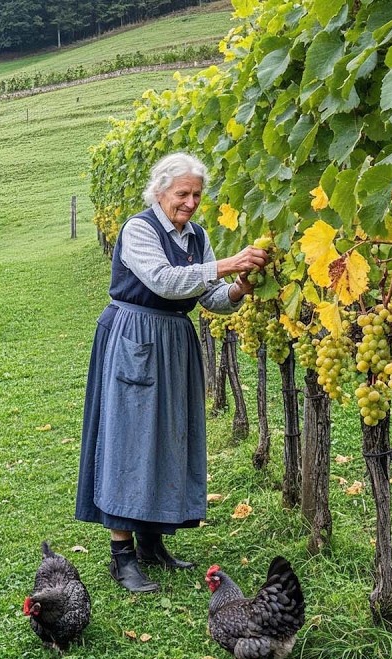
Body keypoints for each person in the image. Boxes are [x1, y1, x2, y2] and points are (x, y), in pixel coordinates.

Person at [76, 152, 268, 593]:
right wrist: (227, 265)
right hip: (136, 337)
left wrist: (237, 289)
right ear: (160, 191)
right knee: (128, 441)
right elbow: (165, 280)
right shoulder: (138, 229)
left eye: (197, 195)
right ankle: (122, 556)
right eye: (183, 193)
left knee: (167, 436)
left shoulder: (197, 236)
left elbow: (210, 297)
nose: (191, 203)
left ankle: (151, 542)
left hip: (175, 342)